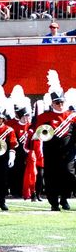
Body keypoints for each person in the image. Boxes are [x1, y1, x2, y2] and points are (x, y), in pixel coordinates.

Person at [33, 82, 74, 210]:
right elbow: (39, 133)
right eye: (57, 103)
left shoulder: (72, 116)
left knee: (69, 175)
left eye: (61, 102)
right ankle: (54, 202)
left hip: (68, 152)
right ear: (52, 103)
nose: (60, 105)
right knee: (51, 177)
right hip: (51, 152)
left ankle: (64, 198)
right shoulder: (43, 117)